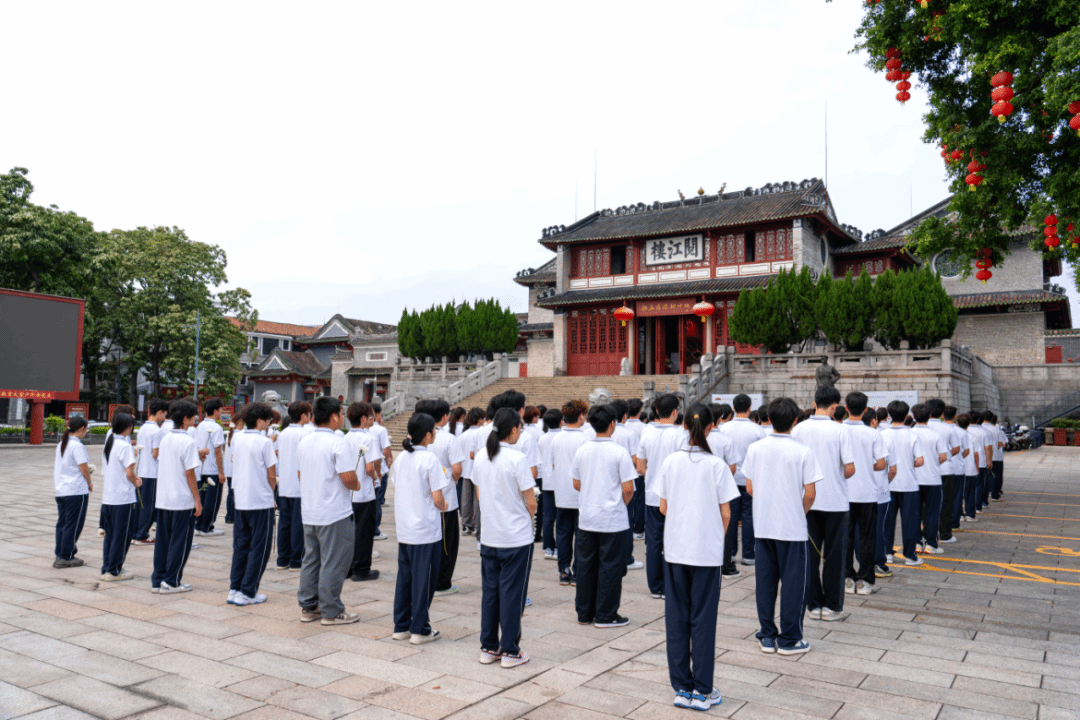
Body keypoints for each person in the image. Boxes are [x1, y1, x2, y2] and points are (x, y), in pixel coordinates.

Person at [658, 404, 738, 710]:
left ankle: (682, 687)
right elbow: (726, 513)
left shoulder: (670, 462)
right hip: (705, 552)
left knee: (677, 617)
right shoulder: (716, 465)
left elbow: (663, 507)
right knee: (703, 619)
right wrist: (714, 536)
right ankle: (702, 690)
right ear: (710, 426)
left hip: (676, 549)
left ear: (683, 426)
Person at [745, 397, 821, 656]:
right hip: (792, 528)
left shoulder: (756, 449)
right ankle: (789, 639)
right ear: (795, 420)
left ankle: (767, 635)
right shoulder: (802, 452)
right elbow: (810, 493)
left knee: (765, 583)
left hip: (763, 525)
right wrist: (798, 512)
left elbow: (750, 487)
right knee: (793, 584)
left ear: (768, 418)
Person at [472, 408, 537, 668]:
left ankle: (489, 647)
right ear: (512, 430)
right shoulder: (517, 458)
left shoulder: (481, 456)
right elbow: (531, 501)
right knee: (512, 593)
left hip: (490, 535)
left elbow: (479, 494)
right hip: (515, 537)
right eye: (519, 428)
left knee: (490, 592)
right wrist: (526, 518)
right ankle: (510, 650)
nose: (520, 432)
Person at [296, 397, 362, 625]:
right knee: (334, 561)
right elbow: (348, 477)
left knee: (311, 559)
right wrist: (357, 484)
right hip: (334, 512)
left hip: (310, 510)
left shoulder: (304, 441)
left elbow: (300, 474)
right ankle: (331, 610)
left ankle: (308, 606)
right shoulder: (337, 442)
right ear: (334, 416)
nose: (342, 418)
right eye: (341, 414)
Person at [792, 386, 855, 621]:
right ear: (835, 406)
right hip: (835, 502)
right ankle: (832, 606)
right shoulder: (841, 430)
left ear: (814, 403)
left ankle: (813, 604)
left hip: (806, 500)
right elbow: (850, 468)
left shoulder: (798, 429)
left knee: (809, 555)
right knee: (835, 556)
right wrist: (837, 474)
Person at [571, 404, 638, 628]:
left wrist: (592, 493)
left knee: (586, 566)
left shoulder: (582, 450)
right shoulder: (619, 452)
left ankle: (584, 612)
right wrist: (618, 503)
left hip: (588, 516)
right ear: (612, 424)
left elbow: (576, 482)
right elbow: (628, 488)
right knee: (610, 567)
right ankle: (606, 614)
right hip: (612, 519)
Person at [392, 412, 450, 644]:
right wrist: (444, 506)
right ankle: (420, 628)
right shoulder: (429, 459)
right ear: (427, 435)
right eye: (433, 430)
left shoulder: (401, 458)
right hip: (425, 529)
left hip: (405, 527)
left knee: (405, 578)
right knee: (424, 579)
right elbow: (437, 497)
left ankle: (401, 625)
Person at [636, 393, 685, 600]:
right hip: (674, 496)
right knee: (673, 541)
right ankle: (670, 584)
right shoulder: (681, 435)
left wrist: (655, 478)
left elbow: (640, 467)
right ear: (675, 412)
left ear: (656, 411)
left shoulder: (647, 434)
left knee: (654, 542)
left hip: (652, 495)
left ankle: (655, 586)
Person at [228, 403, 278, 605]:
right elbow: (272, 475)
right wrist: (271, 494)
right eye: (267, 420)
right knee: (259, 548)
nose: (269, 424)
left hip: (241, 498)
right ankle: (248, 591)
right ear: (259, 421)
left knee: (241, 545)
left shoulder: (237, 438)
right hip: (260, 500)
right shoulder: (265, 442)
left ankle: (235, 588)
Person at [152, 400, 203, 593]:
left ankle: (158, 580)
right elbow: (190, 473)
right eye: (193, 416)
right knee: (180, 542)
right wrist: (197, 499)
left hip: (164, 498)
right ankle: (171, 581)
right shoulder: (188, 441)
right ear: (186, 418)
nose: (195, 419)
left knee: (163, 541)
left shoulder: (166, 438)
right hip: (181, 499)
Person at [417, 399, 466, 596]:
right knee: (447, 542)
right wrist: (452, 480)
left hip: (422, 497)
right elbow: (457, 469)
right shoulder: (448, 438)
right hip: (445, 499)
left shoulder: (416, 436)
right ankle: (442, 582)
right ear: (445, 416)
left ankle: (425, 578)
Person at [842, 392, 887, 595]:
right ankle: (865, 580)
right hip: (867, 492)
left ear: (846, 407)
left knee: (845, 537)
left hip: (844, 493)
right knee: (868, 538)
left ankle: (846, 578)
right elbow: (881, 464)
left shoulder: (838, 430)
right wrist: (867, 466)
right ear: (866, 409)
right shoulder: (873, 433)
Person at [718, 394, 765, 577]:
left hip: (729, 478)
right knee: (748, 516)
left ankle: (729, 552)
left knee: (729, 516)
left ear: (733, 408)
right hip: (749, 479)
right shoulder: (757, 430)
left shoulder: (723, 428)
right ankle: (748, 554)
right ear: (750, 408)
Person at [881, 401, 926, 567]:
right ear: (907, 415)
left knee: (887, 521)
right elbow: (920, 461)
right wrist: (908, 463)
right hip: (909, 484)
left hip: (888, 484)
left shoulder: (882, 434)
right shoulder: (912, 435)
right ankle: (910, 555)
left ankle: (887, 553)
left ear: (889, 415)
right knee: (909, 522)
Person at [551, 399, 590, 585]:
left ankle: (564, 570)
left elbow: (553, 465)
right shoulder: (585, 439)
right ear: (581, 416)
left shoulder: (556, 438)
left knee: (563, 533)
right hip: (580, 493)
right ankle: (578, 570)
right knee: (580, 535)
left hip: (562, 493)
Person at [100, 413, 141, 581]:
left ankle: (107, 567)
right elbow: (129, 472)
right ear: (129, 427)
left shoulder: (110, 443)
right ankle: (114, 570)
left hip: (109, 497)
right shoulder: (125, 446)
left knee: (111, 535)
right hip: (123, 497)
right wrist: (136, 481)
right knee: (122, 535)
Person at [276, 401, 314, 571]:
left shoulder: (283, 433)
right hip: (299, 485)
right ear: (304, 415)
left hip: (285, 484)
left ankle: (282, 559)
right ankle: (296, 560)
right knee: (298, 524)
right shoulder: (305, 434)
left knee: (284, 523)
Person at [345, 401, 380, 582]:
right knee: (364, 533)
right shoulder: (368, 438)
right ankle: (361, 569)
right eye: (370, 416)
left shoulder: (344, 437)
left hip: (348, 493)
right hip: (364, 493)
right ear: (364, 418)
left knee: (348, 533)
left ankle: (347, 568)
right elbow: (369, 467)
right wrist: (376, 477)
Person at [608, 399, 642, 571]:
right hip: (626, 482)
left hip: (607, 482)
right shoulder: (629, 434)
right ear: (624, 415)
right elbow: (635, 459)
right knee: (626, 521)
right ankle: (627, 558)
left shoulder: (601, 432)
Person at [53, 417, 92, 569]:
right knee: (73, 524)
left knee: (63, 523)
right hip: (76, 490)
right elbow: (83, 467)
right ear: (82, 428)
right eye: (86, 429)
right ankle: (66, 555)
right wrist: (89, 482)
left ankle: (60, 553)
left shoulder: (62, 444)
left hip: (62, 489)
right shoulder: (77, 446)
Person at [912, 404, 949, 555]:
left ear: (914, 416)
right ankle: (930, 544)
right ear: (929, 416)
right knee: (932, 513)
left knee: (914, 513)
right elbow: (943, 456)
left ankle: (916, 543)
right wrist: (933, 463)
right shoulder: (935, 435)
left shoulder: (910, 433)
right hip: (932, 479)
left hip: (913, 480)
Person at [132, 400, 168, 545]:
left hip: (141, 470)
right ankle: (141, 534)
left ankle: (136, 532)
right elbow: (155, 453)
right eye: (164, 414)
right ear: (160, 412)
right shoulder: (157, 431)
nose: (165, 417)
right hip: (152, 473)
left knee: (141, 504)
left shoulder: (143, 428)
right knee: (149, 506)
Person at [928, 401, 963, 545]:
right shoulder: (948, 428)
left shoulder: (920, 427)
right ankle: (945, 534)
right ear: (942, 413)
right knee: (947, 503)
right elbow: (956, 448)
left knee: (926, 505)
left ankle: (926, 534)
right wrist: (945, 456)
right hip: (946, 469)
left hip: (926, 471)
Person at [194, 399, 227, 536]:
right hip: (212, 469)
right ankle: (207, 527)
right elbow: (218, 451)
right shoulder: (217, 428)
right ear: (215, 411)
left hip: (200, 468)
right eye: (221, 409)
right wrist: (221, 472)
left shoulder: (200, 426)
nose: (222, 412)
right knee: (212, 500)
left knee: (201, 497)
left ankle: (198, 525)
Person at [537, 408, 562, 560]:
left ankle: (548, 547)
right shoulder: (562, 437)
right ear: (561, 421)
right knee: (561, 517)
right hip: (561, 482)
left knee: (548, 516)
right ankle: (559, 547)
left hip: (547, 480)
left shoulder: (542, 438)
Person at [459, 407, 485, 536]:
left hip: (465, 471)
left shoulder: (463, 435)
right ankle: (475, 524)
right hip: (477, 471)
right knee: (477, 499)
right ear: (480, 420)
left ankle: (465, 524)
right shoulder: (482, 433)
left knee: (465, 499)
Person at [625, 399, 647, 539]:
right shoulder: (645, 428)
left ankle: (627, 526)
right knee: (639, 500)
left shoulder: (622, 426)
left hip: (624, 470)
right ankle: (638, 530)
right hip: (638, 468)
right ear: (640, 411)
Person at [370, 403, 393, 541]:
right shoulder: (380, 430)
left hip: (366, 470)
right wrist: (388, 460)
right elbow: (385, 449)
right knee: (377, 501)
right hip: (378, 469)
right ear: (377, 414)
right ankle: (375, 531)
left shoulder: (364, 429)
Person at [956, 414, 978, 524]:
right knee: (970, 493)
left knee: (957, 494)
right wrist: (977, 467)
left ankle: (959, 514)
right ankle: (970, 514)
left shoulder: (955, 435)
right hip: (970, 469)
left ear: (957, 423)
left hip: (957, 470)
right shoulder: (972, 437)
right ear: (969, 424)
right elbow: (976, 454)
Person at [985, 413, 1006, 502]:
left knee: (985, 477)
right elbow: (1001, 444)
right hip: (996, 457)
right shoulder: (996, 430)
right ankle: (995, 494)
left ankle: (986, 495)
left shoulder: (981, 429)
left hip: (983, 457)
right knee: (996, 476)